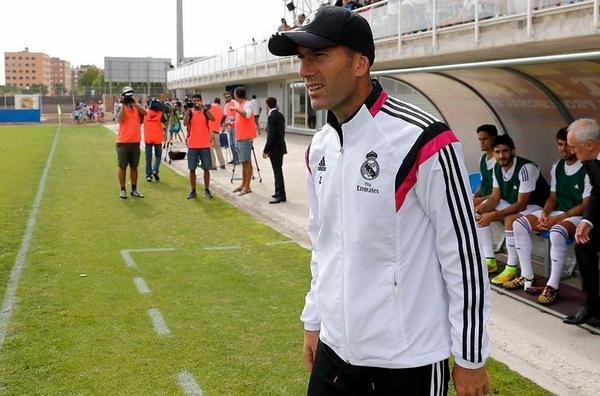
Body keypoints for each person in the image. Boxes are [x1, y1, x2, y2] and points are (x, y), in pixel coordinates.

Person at [268, 6, 490, 395]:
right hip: (335, 351)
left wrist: (470, 358)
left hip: (407, 361)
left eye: (318, 56)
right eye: (302, 59)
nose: (305, 71)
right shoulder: (320, 146)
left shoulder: (423, 138)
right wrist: (315, 319)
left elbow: (464, 254)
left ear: (360, 63)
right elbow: (324, 243)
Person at [507, 127, 590, 305]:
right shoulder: (557, 166)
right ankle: (527, 276)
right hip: (558, 212)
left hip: (578, 216)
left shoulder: (586, 167)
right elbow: (552, 197)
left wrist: (557, 219)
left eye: (568, 145)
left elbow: (585, 205)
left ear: (576, 146)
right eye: (560, 144)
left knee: (556, 232)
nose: (564, 149)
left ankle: (552, 286)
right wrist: (545, 214)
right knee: (518, 224)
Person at [475, 134, 549, 283]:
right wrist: (479, 211)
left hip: (536, 206)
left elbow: (522, 204)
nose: (502, 156)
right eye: (497, 152)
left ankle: (511, 267)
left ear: (513, 151)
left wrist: (493, 216)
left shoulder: (526, 168)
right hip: (512, 203)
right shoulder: (497, 167)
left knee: (510, 220)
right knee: (477, 212)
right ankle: (490, 260)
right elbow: (495, 197)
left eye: (505, 151)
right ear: (494, 153)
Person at [564, 118, 600, 325]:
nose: (572, 152)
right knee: (583, 243)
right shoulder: (590, 159)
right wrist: (587, 220)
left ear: (589, 144)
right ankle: (591, 304)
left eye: (574, 147)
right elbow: (598, 192)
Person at [116, 86, 146, 199]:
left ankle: (134, 189)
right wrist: (124, 105)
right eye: (128, 95)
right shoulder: (121, 107)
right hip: (123, 142)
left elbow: (145, 113)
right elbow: (119, 120)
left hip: (135, 142)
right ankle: (123, 189)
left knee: (134, 167)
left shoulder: (136, 108)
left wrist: (136, 105)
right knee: (122, 167)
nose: (130, 97)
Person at [183, 94, 215, 199]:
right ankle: (193, 191)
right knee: (192, 169)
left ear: (201, 101)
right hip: (192, 144)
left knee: (206, 168)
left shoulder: (205, 112)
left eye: (198, 100)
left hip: (205, 144)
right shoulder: (190, 112)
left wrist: (204, 109)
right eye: (194, 100)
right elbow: (184, 123)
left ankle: (207, 190)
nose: (196, 102)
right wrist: (188, 110)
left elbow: (213, 118)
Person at [232, 87, 257, 196]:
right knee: (244, 162)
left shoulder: (247, 104)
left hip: (246, 138)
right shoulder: (241, 105)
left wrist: (235, 109)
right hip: (240, 137)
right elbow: (242, 120)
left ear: (237, 95)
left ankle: (247, 186)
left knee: (246, 162)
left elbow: (247, 115)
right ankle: (243, 184)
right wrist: (232, 124)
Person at [263, 97, 287, 204]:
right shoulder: (280, 115)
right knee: (278, 170)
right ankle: (278, 191)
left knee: (277, 171)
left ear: (267, 105)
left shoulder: (271, 117)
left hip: (274, 148)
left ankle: (281, 195)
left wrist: (265, 149)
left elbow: (271, 135)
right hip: (280, 147)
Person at [473, 124, 498, 207]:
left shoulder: (499, 161)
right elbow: (483, 182)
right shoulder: (482, 159)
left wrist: (479, 200)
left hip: (493, 199)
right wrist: (475, 196)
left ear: (493, 139)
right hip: (483, 197)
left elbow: (498, 193)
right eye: (480, 139)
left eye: (485, 139)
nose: (481, 142)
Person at [143, 98, 167, 182]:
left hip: (148, 138)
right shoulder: (160, 114)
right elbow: (165, 124)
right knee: (158, 156)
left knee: (148, 158)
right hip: (157, 138)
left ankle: (148, 176)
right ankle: (155, 170)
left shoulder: (145, 112)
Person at [208, 97, 226, 170]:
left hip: (209, 130)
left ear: (214, 101)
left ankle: (213, 165)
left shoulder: (210, 106)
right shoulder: (221, 109)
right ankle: (222, 164)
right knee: (218, 148)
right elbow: (223, 118)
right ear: (219, 102)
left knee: (210, 148)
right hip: (217, 131)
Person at [223, 92, 240, 165]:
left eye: (229, 96)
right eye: (226, 97)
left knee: (236, 144)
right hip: (229, 127)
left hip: (236, 126)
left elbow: (239, 113)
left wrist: (233, 120)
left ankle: (238, 159)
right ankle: (234, 159)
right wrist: (225, 123)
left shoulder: (235, 102)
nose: (228, 98)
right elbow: (225, 115)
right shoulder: (226, 105)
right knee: (231, 145)